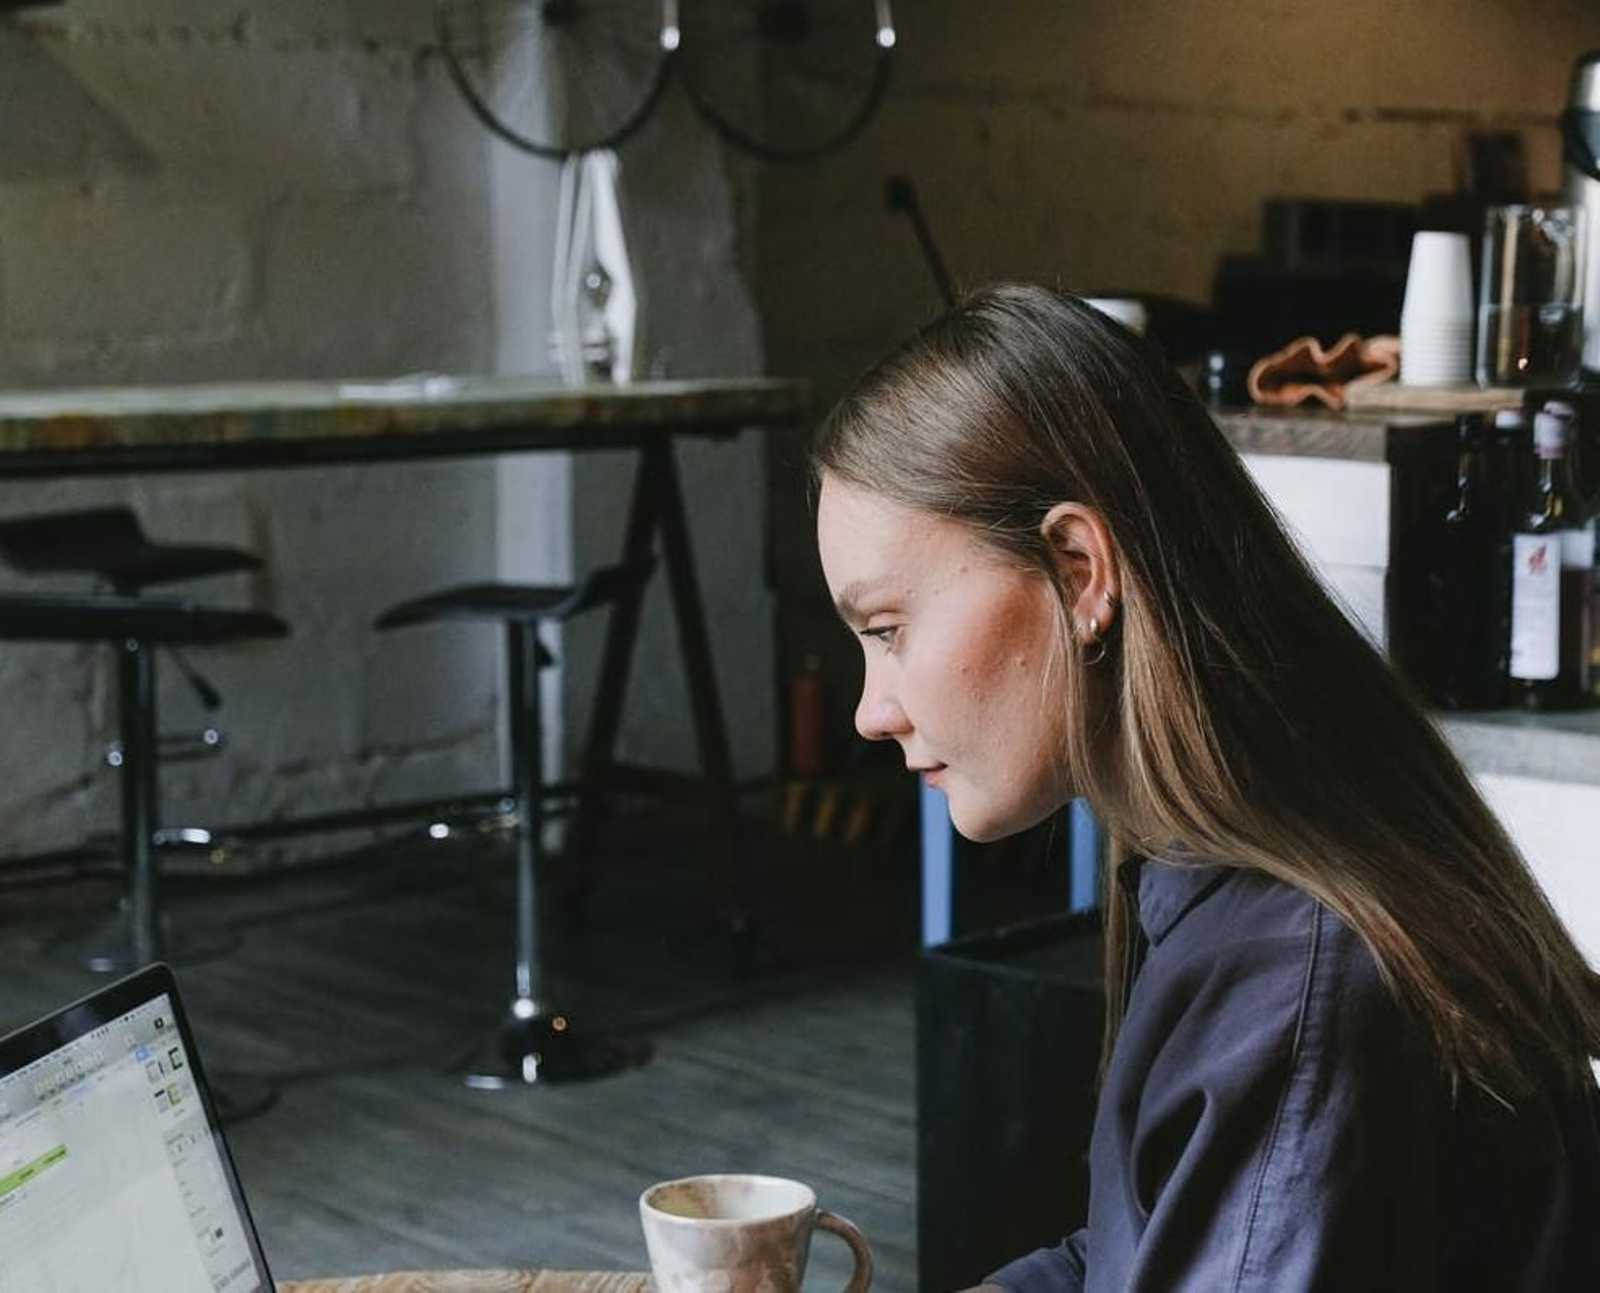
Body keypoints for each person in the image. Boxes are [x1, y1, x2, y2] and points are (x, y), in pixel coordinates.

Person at [811, 283, 1600, 1291]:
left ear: (1078, 568)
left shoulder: (1288, 981)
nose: (870, 711)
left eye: (886, 630)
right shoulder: (1233, 879)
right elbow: (1139, 1254)